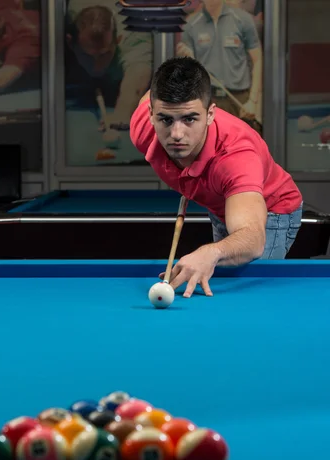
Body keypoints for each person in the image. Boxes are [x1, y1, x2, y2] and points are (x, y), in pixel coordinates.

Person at [130, 57, 303, 298]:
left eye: (190, 118)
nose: (176, 134)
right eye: (166, 119)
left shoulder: (235, 157)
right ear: (150, 113)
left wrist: (209, 253)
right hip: (221, 203)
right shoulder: (143, 129)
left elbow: (252, 238)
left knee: (246, 297)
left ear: (210, 113)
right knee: (217, 285)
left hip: (271, 209)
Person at [65, 0, 152, 146]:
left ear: (117, 41)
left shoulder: (134, 31)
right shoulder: (60, 25)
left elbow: (139, 70)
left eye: (104, 55)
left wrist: (122, 112)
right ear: (70, 42)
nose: (97, 67)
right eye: (87, 56)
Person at [177, 0, 262, 129]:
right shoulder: (190, 25)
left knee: (241, 147)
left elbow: (258, 60)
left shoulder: (243, 19)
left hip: (240, 100)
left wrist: (253, 101)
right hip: (207, 99)